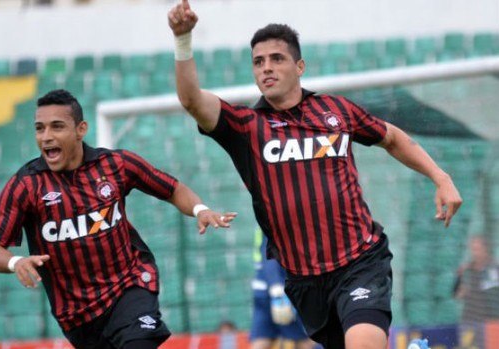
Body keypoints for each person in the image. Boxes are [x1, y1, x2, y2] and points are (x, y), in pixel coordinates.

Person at [167, 1, 462, 348]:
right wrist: (183, 40)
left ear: (300, 66)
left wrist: (440, 178)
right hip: (304, 282)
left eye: (277, 58)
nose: (267, 68)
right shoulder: (246, 127)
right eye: (258, 62)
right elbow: (192, 101)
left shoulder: (336, 110)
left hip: (360, 260)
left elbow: (392, 138)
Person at [0, 89, 237, 349]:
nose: (46, 137)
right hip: (77, 317)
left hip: (129, 287)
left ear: (81, 129)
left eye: (57, 127)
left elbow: (172, 189)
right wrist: (16, 262)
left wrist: (200, 209)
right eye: (40, 128)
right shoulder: (26, 185)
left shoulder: (116, 164)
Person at [251, 229, 314, 349]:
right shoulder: (277, 218)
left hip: (262, 288)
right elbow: (269, 253)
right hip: (282, 290)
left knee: (261, 341)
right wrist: (277, 287)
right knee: (305, 341)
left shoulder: (263, 217)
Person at [453, 235, 499, 347]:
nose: (475, 253)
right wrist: (459, 280)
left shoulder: (495, 268)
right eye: (473, 249)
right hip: (470, 320)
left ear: (485, 249)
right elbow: (456, 295)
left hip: (491, 321)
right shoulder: (467, 270)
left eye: (477, 249)